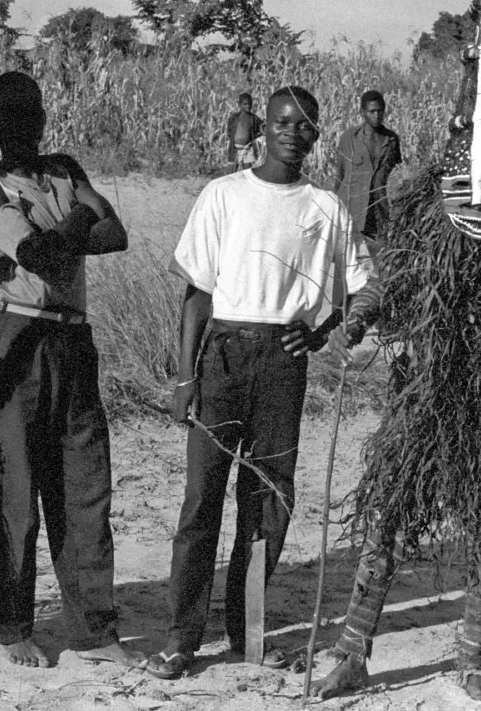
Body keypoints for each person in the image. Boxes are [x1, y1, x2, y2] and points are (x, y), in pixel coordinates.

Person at [309, 127, 481, 702]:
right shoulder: (428, 215)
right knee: (387, 520)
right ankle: (353, 651)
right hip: (427, 392)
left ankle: (473, 656)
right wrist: (357, 321)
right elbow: (386, 283)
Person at [146, 86, 374, 680]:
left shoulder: (327, 209)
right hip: (222, 354)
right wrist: (184, 377)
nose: (293, 132)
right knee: (201, 501)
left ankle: (247, 634)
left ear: (318, 134)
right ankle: (180, 637)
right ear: (262, 128)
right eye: (282, 122)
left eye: (305, 125)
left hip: (281, 363)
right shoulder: (223, 194)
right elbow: (196, 294)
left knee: (269, 500)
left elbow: (361, 285)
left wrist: (322, 330)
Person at [0, 71, 142, 670]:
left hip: (72, 337)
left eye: (31, 112)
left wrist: (63, 232)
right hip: (19, 338)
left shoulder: (64, 166)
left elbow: (116, 234)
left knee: (86, 487)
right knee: (17, 492)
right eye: (9, 116)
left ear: (43, 116)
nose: (23, 125)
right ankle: (12, 625)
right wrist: (78, 222)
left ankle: (92, 626)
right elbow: (39, 254)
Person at [331, 90, 402, 247]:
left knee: (378, 264)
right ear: (362, 112)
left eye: (380, 111)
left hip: (378, 215)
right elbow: (340, 176)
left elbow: (395, 177)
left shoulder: (391, 140)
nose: (377, 115)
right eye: (372, 111)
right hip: (352, 212)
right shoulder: (348, 138)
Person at [226, 92, 260, 172]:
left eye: (250, 104)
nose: (248, 106)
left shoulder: (254, 118)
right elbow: (229, 132)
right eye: (245, 104)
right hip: (234, 149)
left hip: (248, 149)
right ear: (239, 105)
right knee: (231, 173)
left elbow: (261, 128)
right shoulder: (234, 118)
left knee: (248, 173)